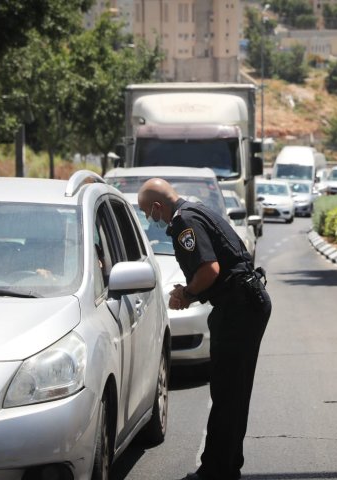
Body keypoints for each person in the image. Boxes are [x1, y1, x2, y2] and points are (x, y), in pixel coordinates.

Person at [138, 178, 271, 480]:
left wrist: (186, 293)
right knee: (232, 393)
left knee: (227, 392)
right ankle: (225, 467)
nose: (150, 219)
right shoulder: (195, 210)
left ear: (158, 206)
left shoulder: (184, 221)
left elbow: (209, 270)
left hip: (239, 307)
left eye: (149, 212)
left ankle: (216, 471)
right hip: (243, 303)